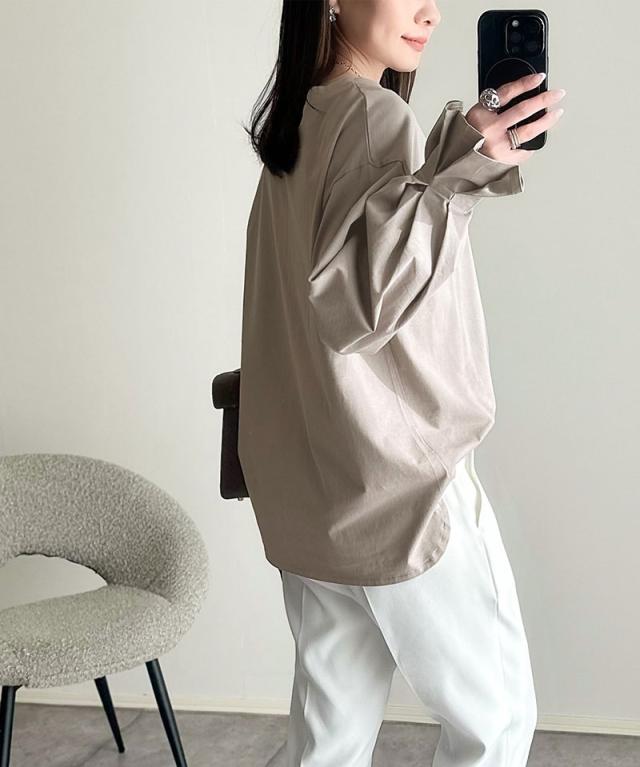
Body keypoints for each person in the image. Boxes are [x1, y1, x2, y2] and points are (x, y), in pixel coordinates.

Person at [238, 1, 566, 765]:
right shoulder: (370, 113)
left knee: (329, 742)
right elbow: (366, 305)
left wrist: (457, 164)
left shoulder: (302, 120)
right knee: (496, 720)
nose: (431, 12)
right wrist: (462, 166)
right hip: (401, 490)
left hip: (312, 494)